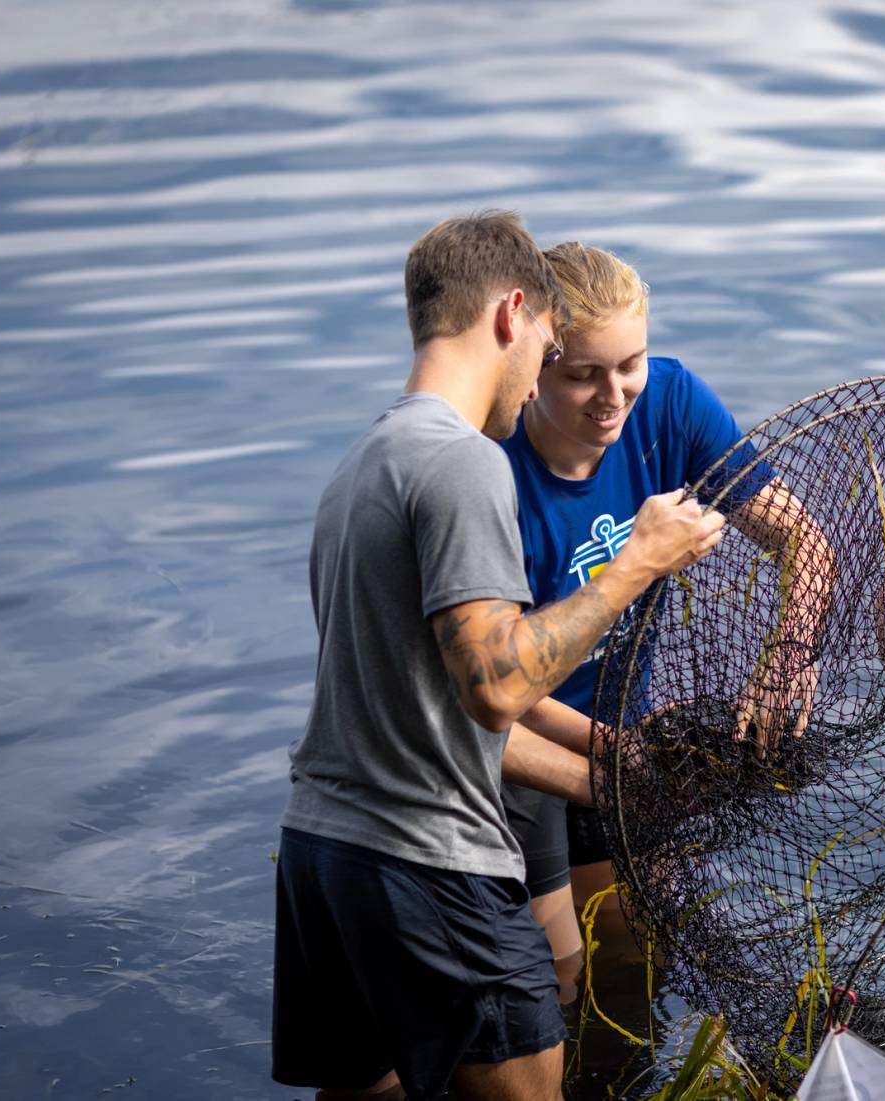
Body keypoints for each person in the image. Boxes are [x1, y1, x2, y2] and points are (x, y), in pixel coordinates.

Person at [271, 212, 726, 1101]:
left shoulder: (361, 464)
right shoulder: (466, 463)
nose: (540, 378)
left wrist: (612, 781)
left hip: (320, 857)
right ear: (512, 313)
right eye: (554, 344)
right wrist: (638, 561)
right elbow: (494, 685)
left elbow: (411, 708)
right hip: (431, 862)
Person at [498, 241, 834, 989]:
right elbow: (497, 692)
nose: (613, 395)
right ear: (533, 364)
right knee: (556, 973)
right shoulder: (493, 467)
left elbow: (804, 542)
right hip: (518, 742)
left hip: (622, 723)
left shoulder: (671, 403)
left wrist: (788, 652)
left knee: (636, 955)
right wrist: (615, 754)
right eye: (582, 373)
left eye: (629, 364)